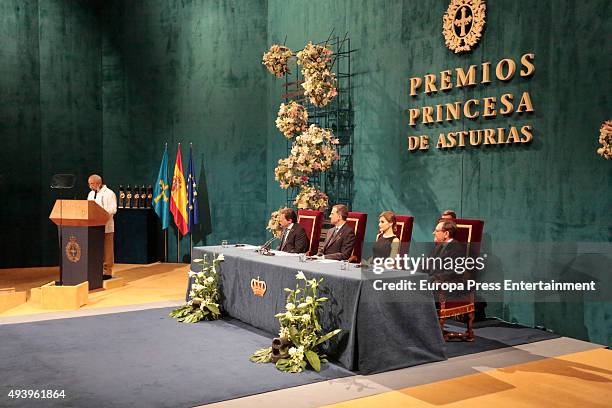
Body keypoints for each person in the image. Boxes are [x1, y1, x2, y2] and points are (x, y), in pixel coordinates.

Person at [87, 174, 117, 279]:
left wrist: (102, 214)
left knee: (107, 249)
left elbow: (113, 209)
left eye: (92, 183)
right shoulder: (91, 194)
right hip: (93, 226)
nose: (90, 186)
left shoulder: (109, 193)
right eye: (89, 184)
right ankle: (95, 270)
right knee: (96, 248)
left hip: (106, 226)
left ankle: (107, 271)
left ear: (98, 183)